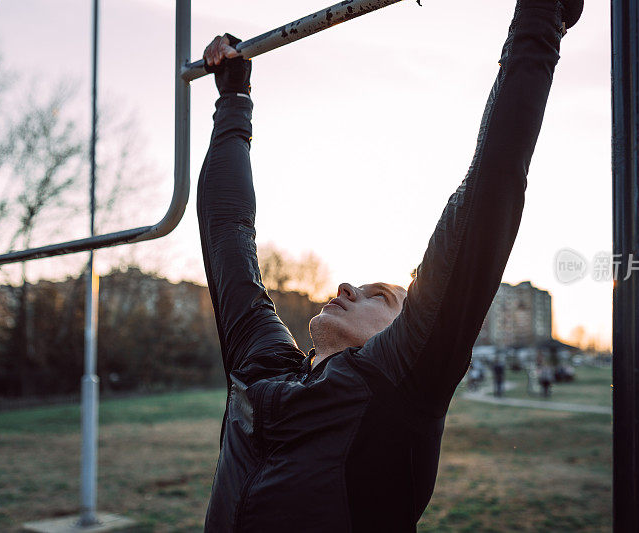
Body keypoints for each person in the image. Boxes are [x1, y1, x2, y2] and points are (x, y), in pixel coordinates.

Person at [198, 1, 582, 530]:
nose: (349, 287)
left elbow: (488, 189)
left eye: (383, 297)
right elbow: (228, 236)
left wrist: (541, 19)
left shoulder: (399, 386)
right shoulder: (258, 371)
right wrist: (234, 101)